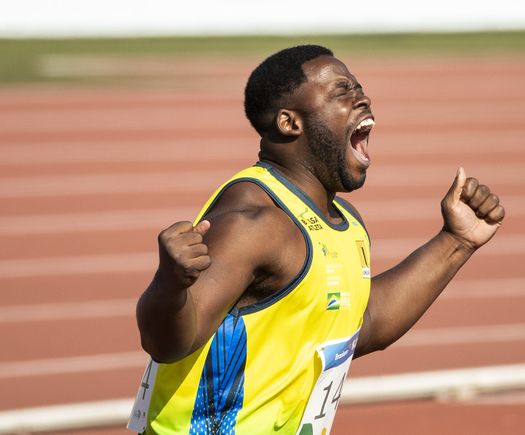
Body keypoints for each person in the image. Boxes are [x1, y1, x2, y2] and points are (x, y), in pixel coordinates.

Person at [128, 45, 504, 435]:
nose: (363, 98)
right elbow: (169, 342)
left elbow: (362, 322)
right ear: (291, 123)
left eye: (359, 87)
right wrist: (169, 284)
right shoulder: (254, 222)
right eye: (342, 92)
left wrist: (456, 242)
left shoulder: (343, 222)